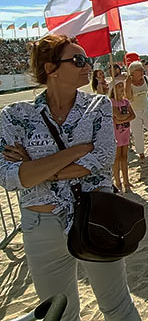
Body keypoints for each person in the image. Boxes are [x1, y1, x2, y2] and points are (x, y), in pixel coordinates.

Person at [0, 34, 140, 321]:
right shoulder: (15, 116)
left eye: (86, 59)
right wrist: (77, 150)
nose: (86, 65)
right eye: (77, 60)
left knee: (117, 306)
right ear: (50, 68)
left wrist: (36, 167)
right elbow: (9, 177)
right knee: (60, 313)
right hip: (40, 226)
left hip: (94, 215)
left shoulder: (98, 106)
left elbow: (102, 159)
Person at [110, 80, 135, 192]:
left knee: (124, 157)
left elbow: (133, 115)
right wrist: (124, 118)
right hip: (116, 133)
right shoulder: (112, 102)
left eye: (122, 86)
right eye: (118, 86)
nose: (121, 88)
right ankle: (118, 181)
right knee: (117, 158)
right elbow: (117, 117)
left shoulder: (125, 101)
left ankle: (126, 180)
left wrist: (121, 119)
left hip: (125, 130)